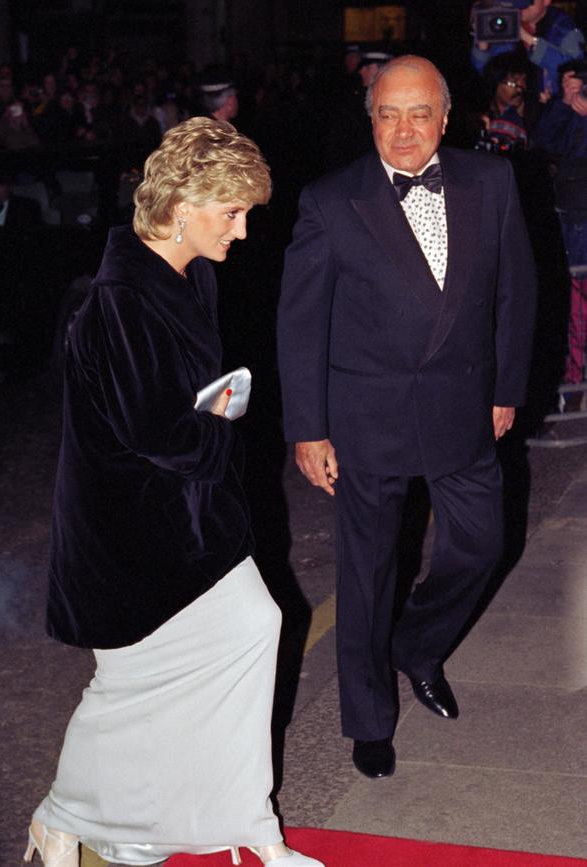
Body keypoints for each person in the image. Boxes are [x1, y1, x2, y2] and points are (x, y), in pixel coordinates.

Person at [25, 117, 324, 867]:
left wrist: (225, 406)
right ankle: (64, 816)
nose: (244, 230)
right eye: (234, 212)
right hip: (129, 541)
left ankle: (242, 822)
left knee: (254, 626)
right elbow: (166, 431)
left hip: (188, 523)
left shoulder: (193, 275)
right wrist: (234, 409)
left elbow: (202, 406)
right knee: (128, 688)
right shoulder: (121, 299)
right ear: (185, 205)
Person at [277, 56, 536, 780]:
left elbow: (517, 291)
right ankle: (368, 719)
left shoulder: (493, 182)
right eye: (387, 113)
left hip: (463, 407)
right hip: (367, 420)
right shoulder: (331, 201)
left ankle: (418, 646)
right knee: (367, 575)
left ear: (446, 119)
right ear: (371, 118)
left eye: (418, 113)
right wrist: (307, 427)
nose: (402, 130)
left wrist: (506, 386)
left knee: (483, 544)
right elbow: (301, 326)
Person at [535, 63, 587, 408]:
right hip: (574, 217)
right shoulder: (567, 112)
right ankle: (573, 379)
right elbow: (547, 144)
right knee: (575, 302)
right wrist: (562, 106)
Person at [471, 0, 584, 96]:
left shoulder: (564, 29)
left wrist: (528, 39)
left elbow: (573, 72)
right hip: (520, 110)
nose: (521, 4)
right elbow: (490, 75)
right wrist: (483, 44)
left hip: (553, 108)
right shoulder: (507, 22)